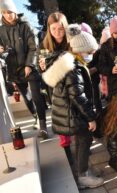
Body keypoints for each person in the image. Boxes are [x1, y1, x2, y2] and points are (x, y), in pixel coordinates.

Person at [42, 24, 104, 189]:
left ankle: (81, 172)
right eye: (89, 52)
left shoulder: (71, 62)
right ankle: (83, 177)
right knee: (85, 140)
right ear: (80, 49)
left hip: (71, 112)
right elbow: (77, 95)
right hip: (73, 114)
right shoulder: (73, 68)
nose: (91, 55)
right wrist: (90, 117)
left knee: (82, 141)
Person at [0, 0, 48, 138]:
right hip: (13, 68)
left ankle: (43, 125)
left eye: (9, 12)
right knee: (26, 98)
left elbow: (34, 46)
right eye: (4, 13)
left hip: (29, 66)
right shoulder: (0, 30)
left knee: (36, 95)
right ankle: (36, 116)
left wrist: (29, 65)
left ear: (15, 11)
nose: (7, 15)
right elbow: (2, 52)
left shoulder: (25, 25)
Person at [39, 11, 74, 164]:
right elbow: (41, 66)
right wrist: (41, 67)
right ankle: (67, 151)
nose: (57, 33)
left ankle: (83, 144)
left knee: (77, 115)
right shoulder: (45, 45)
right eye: (53, 29)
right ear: (49, 29)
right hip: (56, 90)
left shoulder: (72, 41)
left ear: (65, 27)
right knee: (61, 120)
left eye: (60, 29)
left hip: (73, 86)